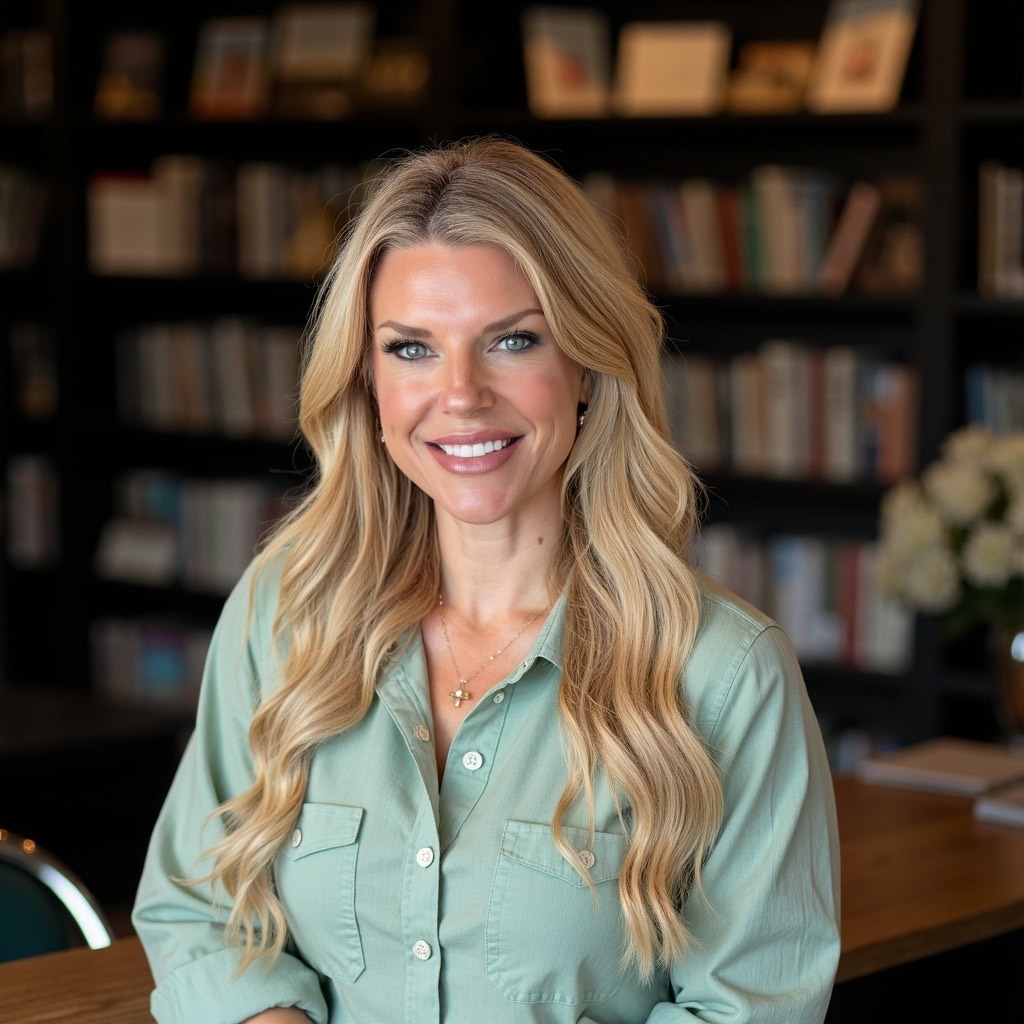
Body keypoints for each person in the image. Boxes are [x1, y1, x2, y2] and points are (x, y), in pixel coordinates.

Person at [132, 136, 841, 1024]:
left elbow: (752, 1008)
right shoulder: (283, 616)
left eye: (511, 340)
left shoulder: (726, 675)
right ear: (368, 381)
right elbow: (196, 907)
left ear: (587, 363)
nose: (460, 396)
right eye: (412, 349)